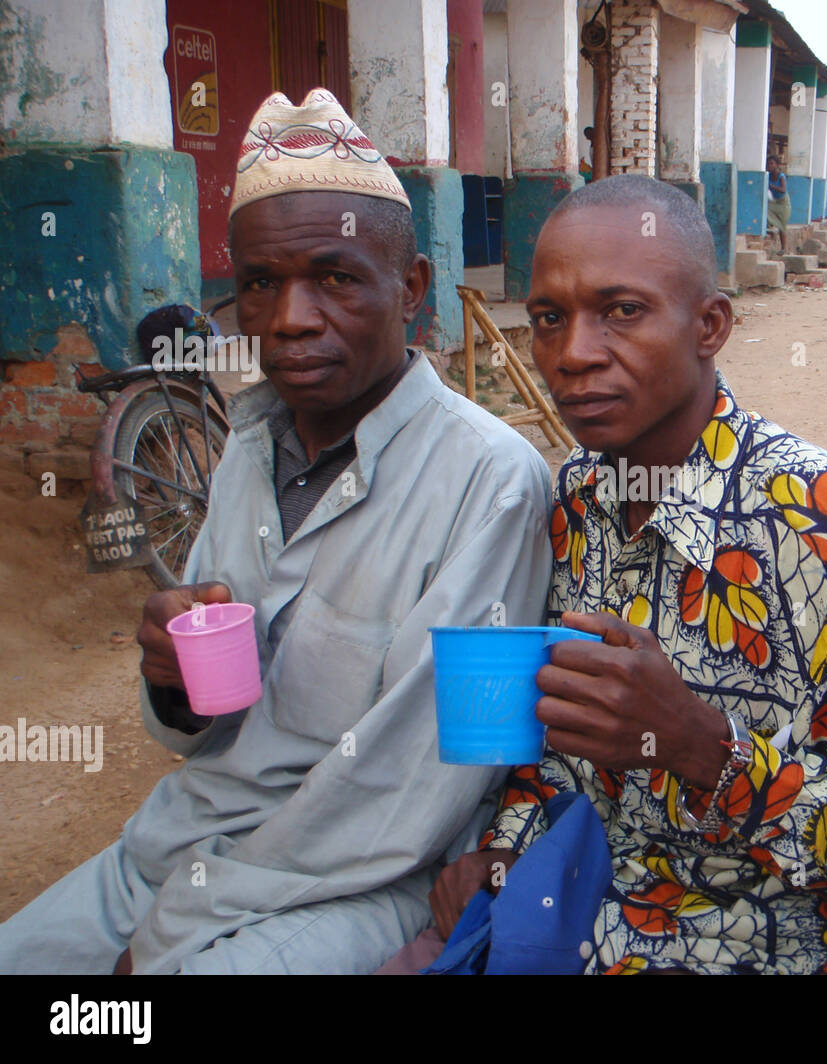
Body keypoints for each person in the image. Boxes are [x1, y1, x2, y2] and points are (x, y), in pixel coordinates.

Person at [0, 89, 552, 974]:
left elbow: (415, 792)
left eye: (333, 277)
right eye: (259, 283)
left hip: (358, 880)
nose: (289, 318)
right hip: (187, 841)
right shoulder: (248, 449)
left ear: (409, 289)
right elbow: (205, 731)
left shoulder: (490, 482)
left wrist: (180, 932)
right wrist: (174, 685)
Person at [422, 175, 827, 974]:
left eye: (623, 311)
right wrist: (503, 852)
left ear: (710, 324)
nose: (572, 354)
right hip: (561, 927)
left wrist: (703, 747)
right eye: (548, 319)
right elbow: (555, 756)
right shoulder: (577, 493)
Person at [767, 155, 791, 254]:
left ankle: (783, 248)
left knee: (782, 225)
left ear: (777, 165)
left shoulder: (781, 176)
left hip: (783, 203)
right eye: (768, 163)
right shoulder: (767, 175)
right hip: (773, 201)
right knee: (765, 212)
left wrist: (771, 186)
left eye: (772, 163)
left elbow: (783, 189)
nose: (769, 165)